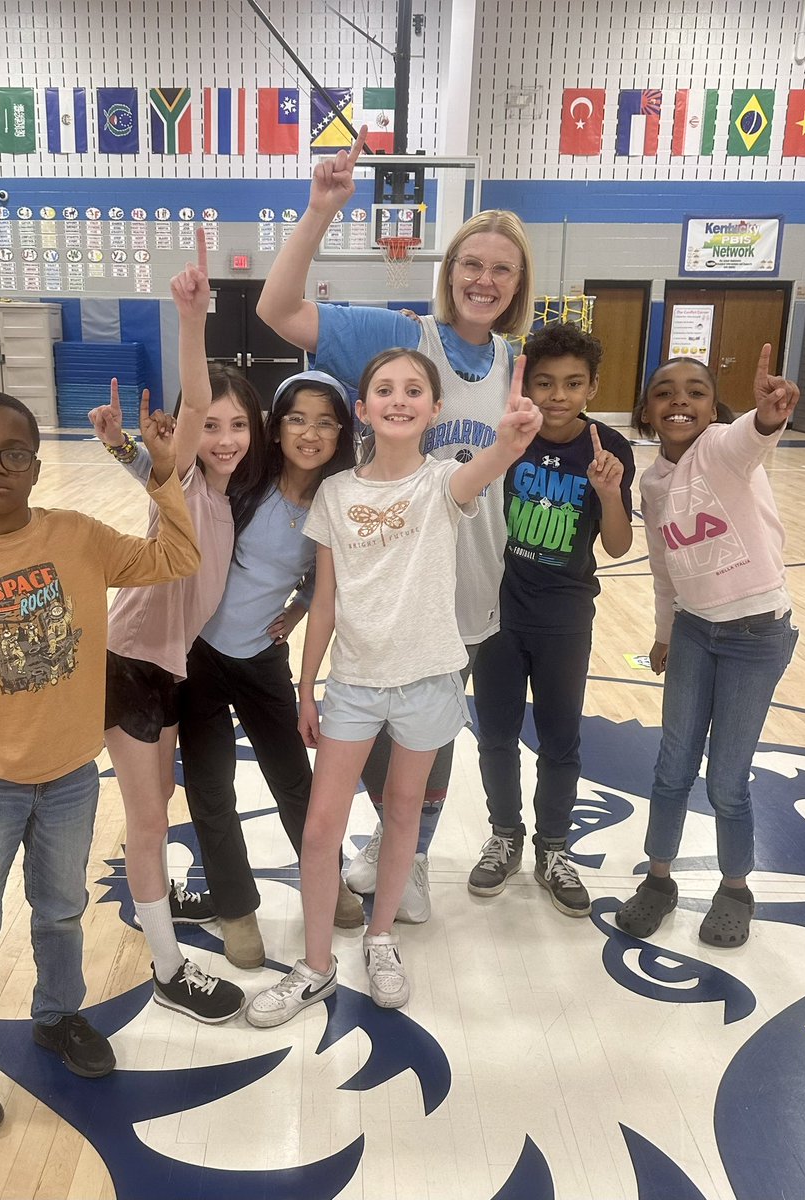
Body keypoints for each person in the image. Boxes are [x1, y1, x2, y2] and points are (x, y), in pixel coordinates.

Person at [0, 386, 201, 1136]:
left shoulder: (79, 537)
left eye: (14, 453)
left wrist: (159, 473)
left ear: (35, 465)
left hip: (68, 778)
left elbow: (177, 556)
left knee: (60, 913)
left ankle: (57, 1017)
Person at [256, 128, 536, 923]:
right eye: (471, 265)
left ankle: (403, 858)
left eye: (500, 270)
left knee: (429, 745)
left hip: (469, 590)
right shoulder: (401, 342)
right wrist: (318, 213)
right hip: (388, 594)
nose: (483, 280)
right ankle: (381, 847)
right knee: (371, 736)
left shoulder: (515, 363)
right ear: (451, 274)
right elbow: (279, 308)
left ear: (516, 285)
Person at [246, 348, 542, 1027]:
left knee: (403, 816)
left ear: (434, 410)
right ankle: (315, 965)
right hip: (353, 685)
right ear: (363, 408)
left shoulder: (445, 482)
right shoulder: (335, 493)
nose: (399, 398)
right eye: (384, 388)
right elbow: (322, 601)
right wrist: (306, 687)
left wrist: (508, 441)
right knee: (321, 830)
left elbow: (486, 468)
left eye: (414, 389)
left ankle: (380, 939)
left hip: (427, 681)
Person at [93, 369, 360, 970]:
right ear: (275, 426)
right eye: (296, 418)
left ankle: (330, 878)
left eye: (323, 422)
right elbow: (171, 477)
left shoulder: (335, 502)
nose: (308, 433)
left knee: (294, 780)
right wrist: (124, 446)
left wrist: (295, 610)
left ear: (340, 432)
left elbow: (326, 582)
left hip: (262, 661)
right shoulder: (245, 479)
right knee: (211, 790)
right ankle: (237, 910)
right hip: (200, 658)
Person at [91, 233, 246, 1024]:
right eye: (209, 426)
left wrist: (119, 448)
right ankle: (166, 968)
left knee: (159, 810)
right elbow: (187, 409)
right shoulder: (187, 477)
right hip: (129, 664)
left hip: (176, 667)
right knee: (148, 819)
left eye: (235, 427)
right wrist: (193, 320)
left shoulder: (223, 501)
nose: (221, 438)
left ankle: (160, 898)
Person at [615, 344, 800, 948]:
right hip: (694, 630)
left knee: (727, 779)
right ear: (645, 412)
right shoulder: (654, 481)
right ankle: (660, 879)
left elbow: (752, 437)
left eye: (695, 391)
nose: (680, 400)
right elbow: (665, 571)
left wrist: (766, 415)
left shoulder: (722, 449)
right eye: (665, 391)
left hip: (757, 633)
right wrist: (665, 632)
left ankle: (735, 888)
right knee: (671, 767)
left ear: (713, 409)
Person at [469, 323, 635, 911]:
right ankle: (504, 835)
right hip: (499, 611)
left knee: (562, 737)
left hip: (565, 615)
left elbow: (616, 547)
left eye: (572, 383)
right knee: (495, 733)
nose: (558, 395)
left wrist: (610, 494)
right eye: (545, 382)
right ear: (527, 385)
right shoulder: (510, 438)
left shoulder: (609, 448)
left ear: (593, 385)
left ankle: (554, 847)